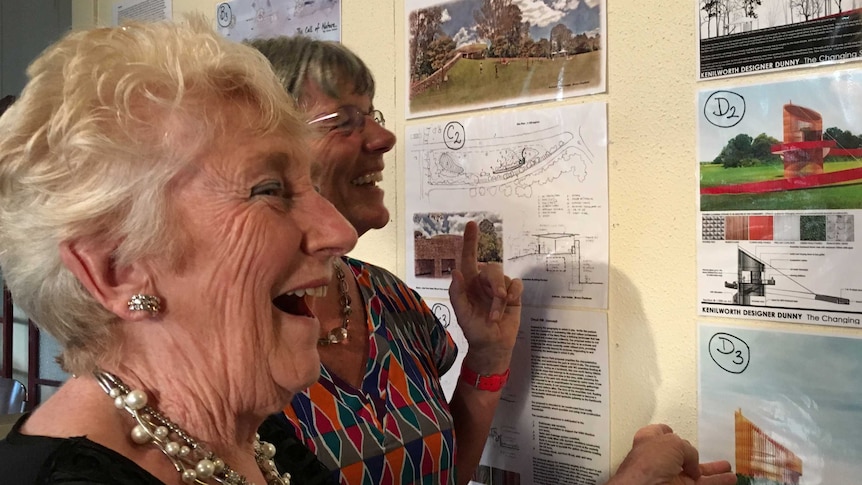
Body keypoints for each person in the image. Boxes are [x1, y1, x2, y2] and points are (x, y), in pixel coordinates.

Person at [248, 37, 736, 485]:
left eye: (372, 113)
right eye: (346, 121)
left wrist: (487, 357)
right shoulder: (222, 348)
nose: (383, 137)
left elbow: (442, 473)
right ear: (265, 157)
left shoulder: (388, 297)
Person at [0, 17, 356, 485]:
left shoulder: (255, 435)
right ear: (116, 269)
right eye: (269, 190)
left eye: (311, 186)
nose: (339, 230)